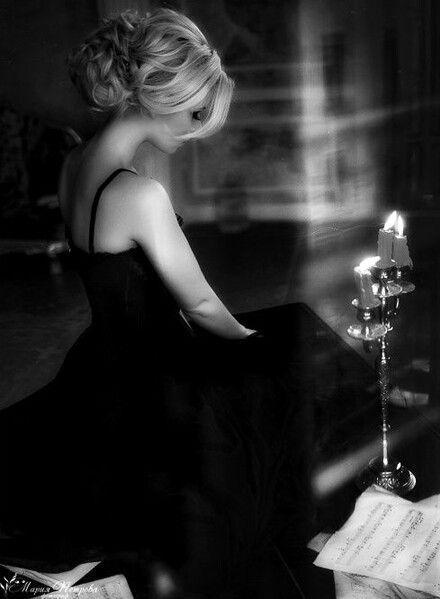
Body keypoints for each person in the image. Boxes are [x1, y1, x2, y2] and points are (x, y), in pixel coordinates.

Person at [0, 8, 313, 597]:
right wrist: (253, 346)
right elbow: (199, 305)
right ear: (159, 97)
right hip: (153, 379)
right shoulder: (139, 193)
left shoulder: (74, 163)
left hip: (103, 362)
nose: (194, 131)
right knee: (287, 355)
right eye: (194, 113)